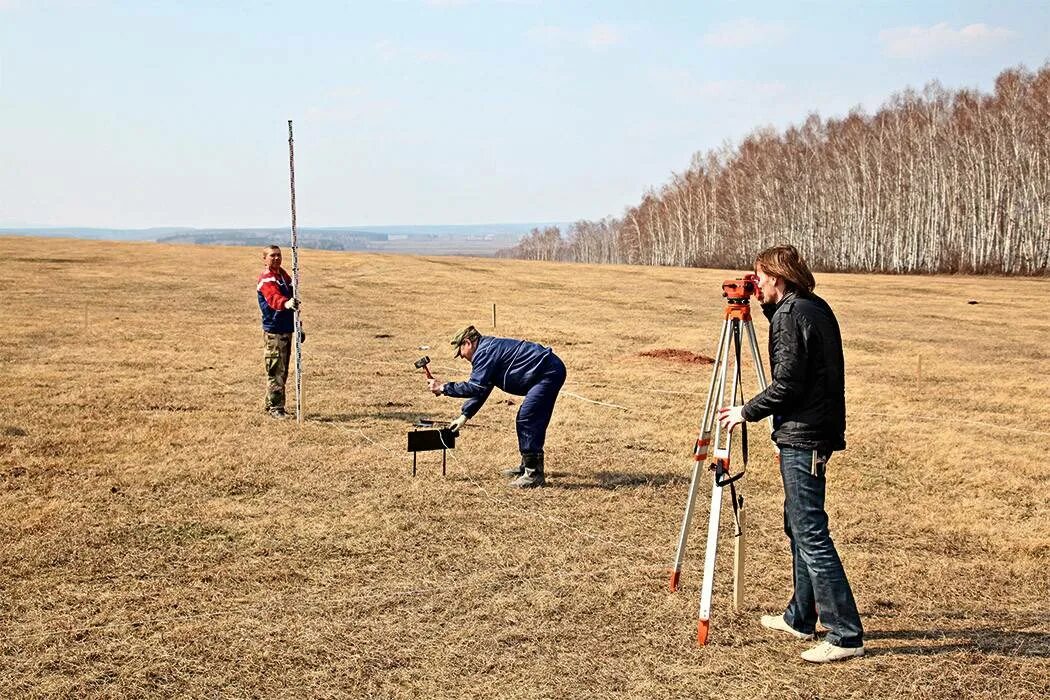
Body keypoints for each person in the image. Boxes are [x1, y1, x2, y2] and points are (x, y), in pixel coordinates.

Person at [718, 244, 864, 663]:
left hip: (804, 435)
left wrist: (745, 412)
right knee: (797, 526)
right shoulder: (808, 306)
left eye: (759, 277)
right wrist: (764, 306)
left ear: (777, 279)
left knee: (811, 531)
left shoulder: (791, 315)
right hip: (812, 429)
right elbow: (796, 358)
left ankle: (845, 633)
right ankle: (801, 616)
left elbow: (787, 384)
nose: (754, 283)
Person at [426, 325, 566, 488]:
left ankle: (534, 474)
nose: (462, 357)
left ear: (467, 343)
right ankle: (526, 467)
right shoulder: (487, 349)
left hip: (547, 373)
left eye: (461, 352)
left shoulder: (485, 352)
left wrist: (443, 388)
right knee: (528, 418)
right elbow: (484, 387)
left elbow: (475, 387)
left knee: (527, 418)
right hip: (544, 371)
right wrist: (465, 415)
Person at [256, 245, 302, 419]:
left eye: (278, 255)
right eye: (272, 255)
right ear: (265, 259)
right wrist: (285, 303)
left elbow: (295, 300)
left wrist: (299, 326)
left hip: (287, 328)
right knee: (275, 369)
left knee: (283, 370)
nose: (276, 258)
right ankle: (276, 408)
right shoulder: (267, 279)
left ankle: (272, 403)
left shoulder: (283, 276)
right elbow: (274, 298)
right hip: (274, 330)